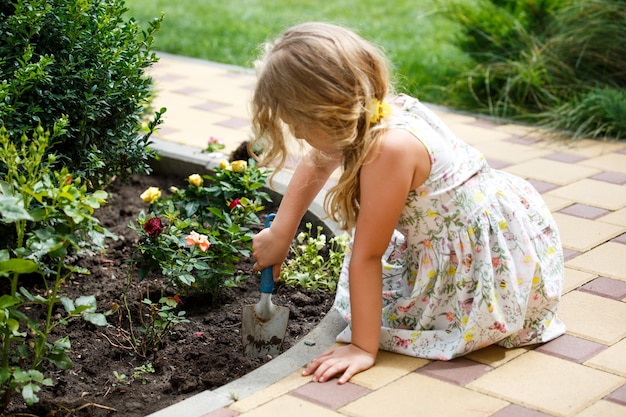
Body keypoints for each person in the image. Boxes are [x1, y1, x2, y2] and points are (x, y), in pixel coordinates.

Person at [250, 22, 566, 385]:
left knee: (366, 266)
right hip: (501, 222)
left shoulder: (388, 149)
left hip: (484, 257)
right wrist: (281, 233)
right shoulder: (375, 109)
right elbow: (320, 157)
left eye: (297, 124)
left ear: (325, 113)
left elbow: (368, 256)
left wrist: (362, 347)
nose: (298, 134)